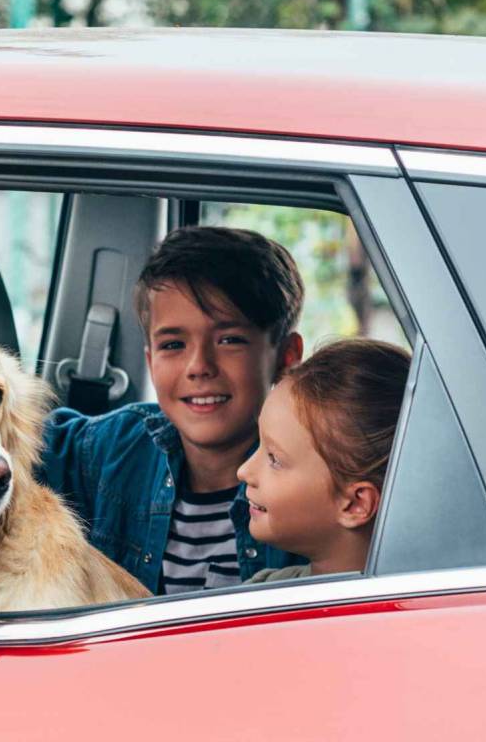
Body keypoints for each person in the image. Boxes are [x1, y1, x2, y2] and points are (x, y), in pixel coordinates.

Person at [37, 226, 308, 595]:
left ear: (286, 357)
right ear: (150, 360)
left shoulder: (315, 480)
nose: (199, 366)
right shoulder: (109, 450)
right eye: (173, 344)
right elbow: (5, 440)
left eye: (230, 340)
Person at [239, 339, 411, 583]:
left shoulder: (260, 605)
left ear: (355, 504)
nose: (243, 471)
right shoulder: (259, 591)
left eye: (274, 459)